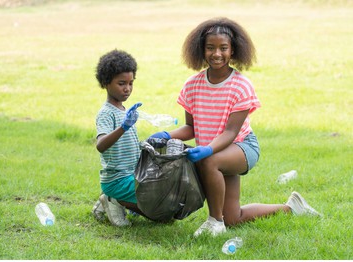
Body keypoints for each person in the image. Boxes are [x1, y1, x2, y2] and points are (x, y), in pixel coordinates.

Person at [149, 17, 320, 237]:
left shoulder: (241, 85)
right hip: (216, 151)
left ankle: (214, 222)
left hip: (241, 147)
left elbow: (231, 132)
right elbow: (191, 128)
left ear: (233, 51)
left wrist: (209, 149)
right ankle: (292, 207)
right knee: (233, 218)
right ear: (201, 50)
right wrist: (166, 135)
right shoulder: (192, 85)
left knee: (209, 162)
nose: (216, 54)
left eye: (223, 48)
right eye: (210, 48)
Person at [92, 49, 144, 227]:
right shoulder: (106, 113)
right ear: (106, 83)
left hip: (130, 176)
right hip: (117, 180)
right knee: (154, 202)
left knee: (162, 208)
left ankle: (117, 201)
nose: (127, 88)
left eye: (131, 83)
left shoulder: (124, 110)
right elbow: (101, 145)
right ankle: (114, 200)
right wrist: (123, 127)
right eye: (121, 83)